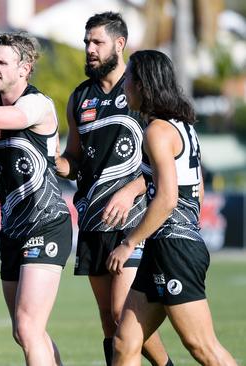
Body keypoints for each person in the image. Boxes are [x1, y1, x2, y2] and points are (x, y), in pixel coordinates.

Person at [55, 12, 171, 366]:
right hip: (92, 220)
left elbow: (165, 161)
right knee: (109, 321)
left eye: (97, 42)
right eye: (87, 41)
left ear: (119, 45)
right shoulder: (80, 98)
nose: (89, 49)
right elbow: (73, 159)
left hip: (132, 222)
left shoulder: (140, 92)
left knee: (124, 314)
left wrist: (132, 189)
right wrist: (50, 160)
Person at [107, 49, 237, 366]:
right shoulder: (182, 127)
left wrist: (129, 243)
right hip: (168, 245)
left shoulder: (157, 132)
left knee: (202, 347)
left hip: (173, 248)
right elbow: (198, 189)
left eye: (128, 80)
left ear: (144, 85)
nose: (124, 87)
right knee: (125, 342)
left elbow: (167, 198)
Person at [0, 31, 72, 365]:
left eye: (1, 62)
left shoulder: (37, 104)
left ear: (25, 69)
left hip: (46, 224)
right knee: (24, 331)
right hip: (12, 229)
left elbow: (5, 119)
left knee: (28, 328)